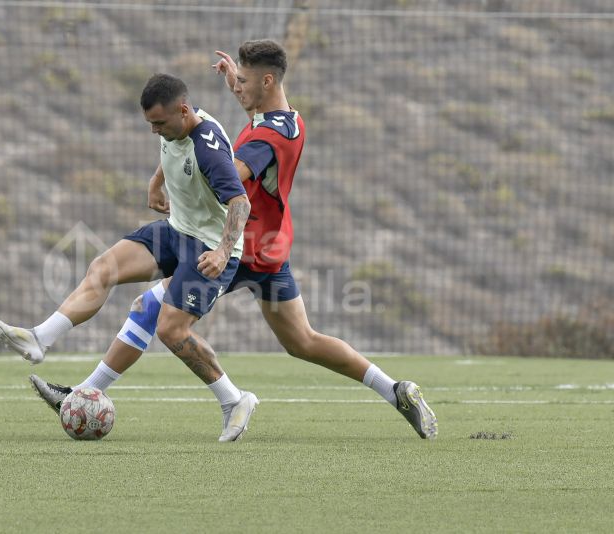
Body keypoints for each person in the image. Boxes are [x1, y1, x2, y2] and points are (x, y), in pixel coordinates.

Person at [30, 40, 437, 440]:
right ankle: (396, 390)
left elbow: (225, 173)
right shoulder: (282, 119)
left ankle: (93, 393)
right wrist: (230, 92)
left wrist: (188, 150)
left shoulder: (268, 135)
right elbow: (229, 138)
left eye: (244, 80)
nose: (237, 86)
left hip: (237, 247)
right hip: (271, 249)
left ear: (267, 80)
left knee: (153, 309)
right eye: (235, 79)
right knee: (303, 342)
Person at [0, 73, 259, 442]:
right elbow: (172, 148)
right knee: (104, 268)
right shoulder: (180, 122)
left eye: (159, 124)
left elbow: (240, 203)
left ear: (182, 111)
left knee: (170, 329)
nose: (154, 131)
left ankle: (234, 400)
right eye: (150, 124)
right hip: (178, 231)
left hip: (210, 250)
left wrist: (224, 251)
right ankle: (40, 339)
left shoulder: (208, 149)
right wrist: (155, 182)